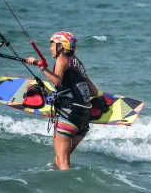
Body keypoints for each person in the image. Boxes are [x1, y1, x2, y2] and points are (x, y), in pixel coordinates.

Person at [25, 31, 100, 170]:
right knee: (60, 160)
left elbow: (57, 81)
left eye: (52, 44)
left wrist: (40, 66)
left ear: (60, 46)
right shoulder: (78, 64)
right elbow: (94, 92)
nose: (50, 48)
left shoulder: (62, 59)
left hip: (68, 116)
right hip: (83, 120)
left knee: (63, 162)